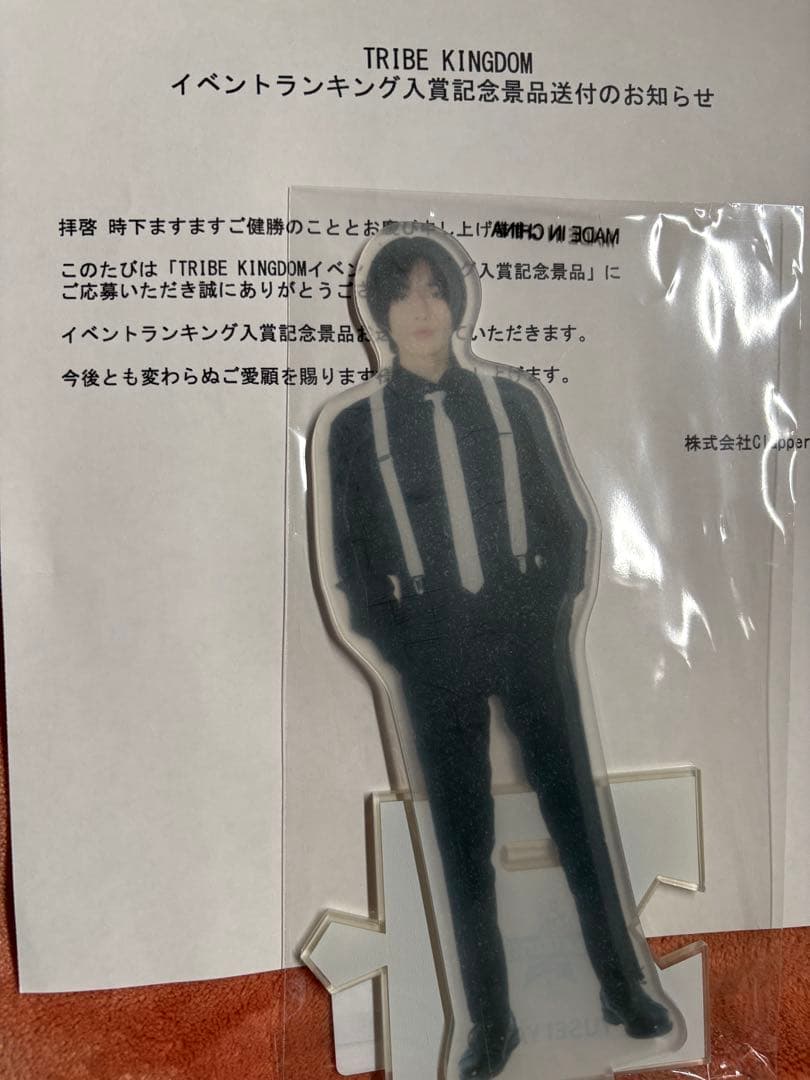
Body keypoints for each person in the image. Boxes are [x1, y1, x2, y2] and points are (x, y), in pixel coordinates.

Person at [314, 228, 673, 1079]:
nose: (422, 309)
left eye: (435, 290)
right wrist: (399, 641)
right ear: (379, 313)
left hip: (527, 634)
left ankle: (622, 986)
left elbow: (567, 520)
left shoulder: (512, 403)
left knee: (576, 818)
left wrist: (545, 609)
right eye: (403, 293)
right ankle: (490, 1021)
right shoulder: (356, 426)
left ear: (459, 301)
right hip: (431, 651)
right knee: (460, 837)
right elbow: (352, 561)